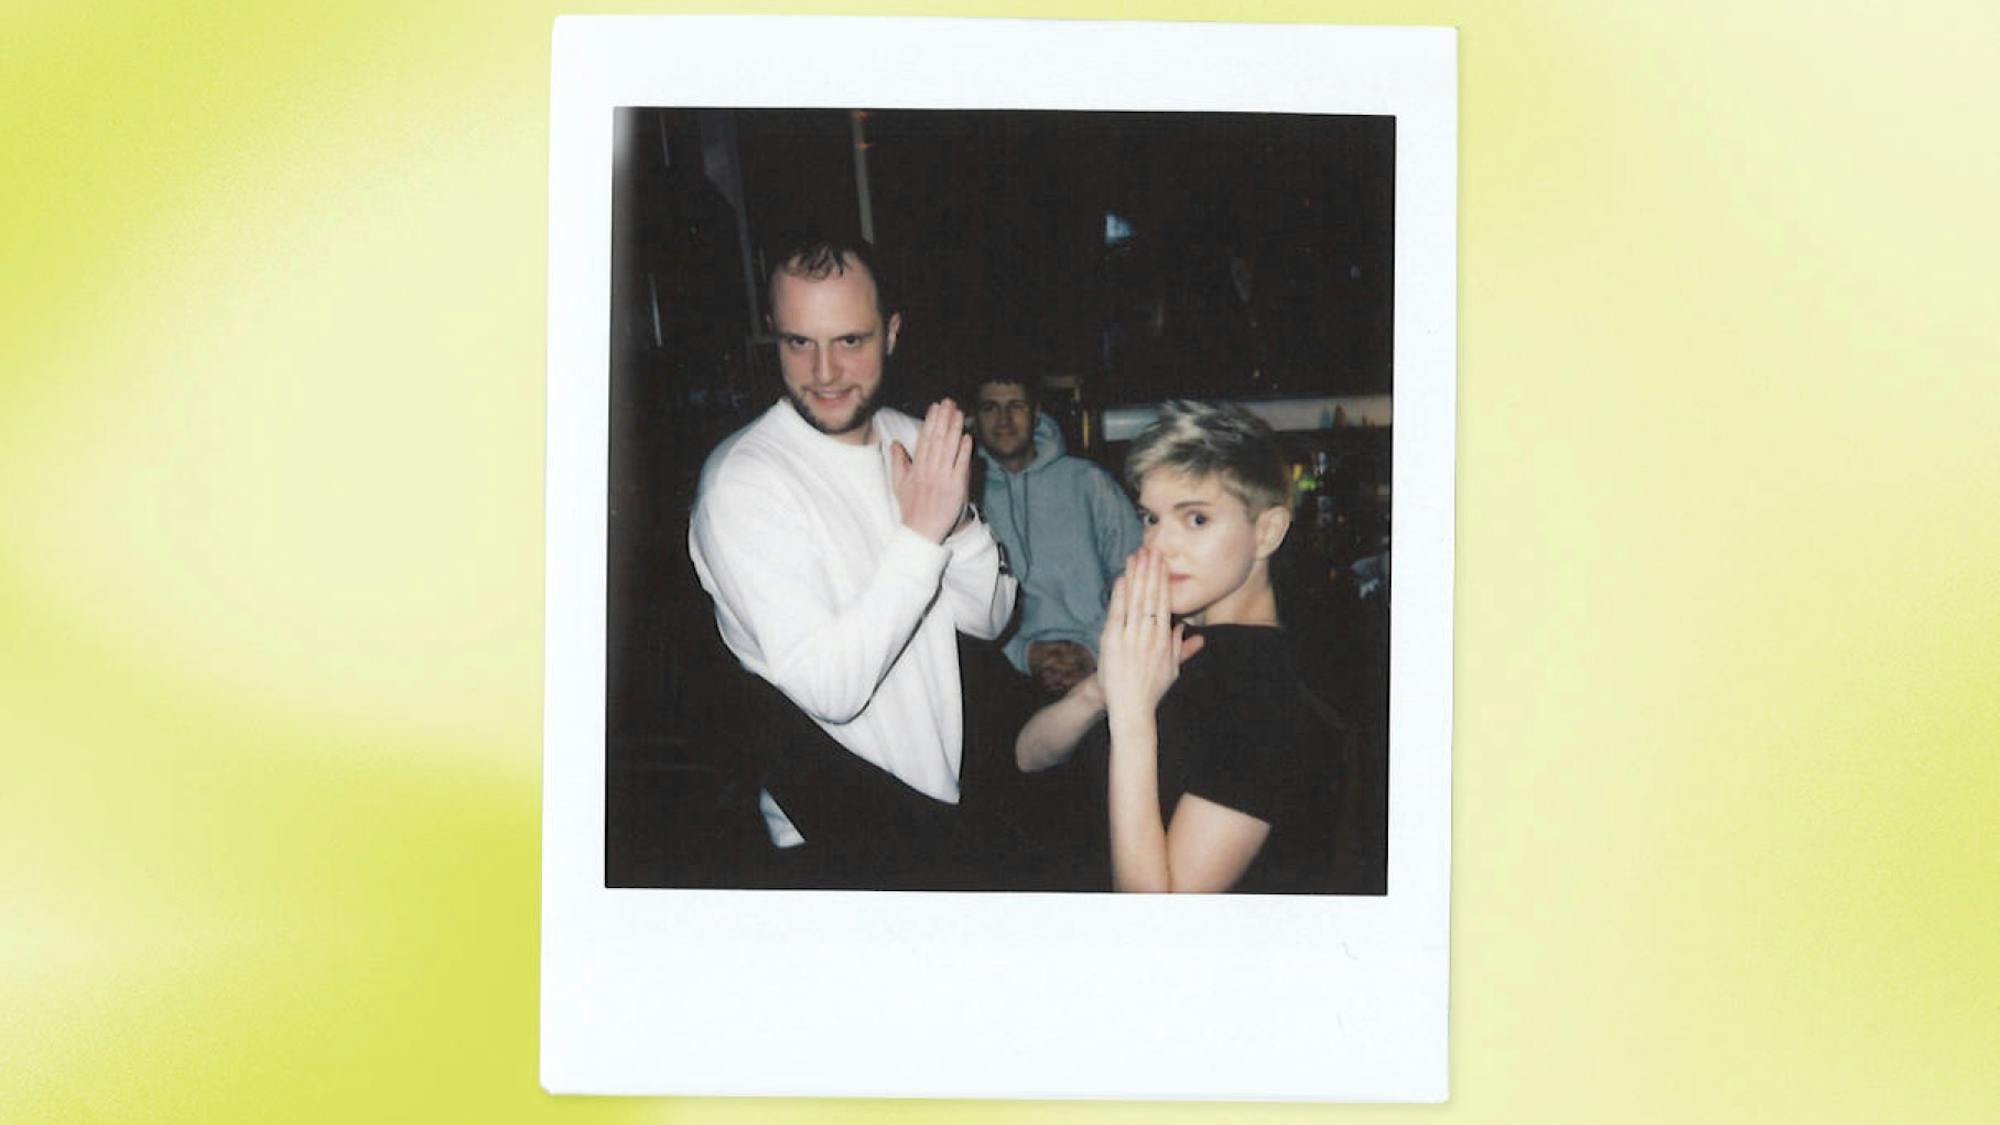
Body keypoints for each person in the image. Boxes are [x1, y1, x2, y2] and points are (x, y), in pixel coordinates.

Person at [687, 232, 1017, 886]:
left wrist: (955, 526)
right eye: (798, 342)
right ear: (773, 337)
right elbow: (829, 690)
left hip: (945, 800)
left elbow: (990, 615)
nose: (825, 372)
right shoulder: (746, 481)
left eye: (850, 341)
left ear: (892, 333)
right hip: (832, 823)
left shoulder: (915, 439)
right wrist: (922, 533)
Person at [1014, 400, 1345, 893]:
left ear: (1268, 531)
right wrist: (1100, 692)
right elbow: (1028, 755)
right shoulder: (1176, 638)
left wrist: (1131, 716)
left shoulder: (1269, 701)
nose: (1158, 545)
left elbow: (1161, 915)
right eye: (1151, 518)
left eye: (1195, 520)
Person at [968, 374, 1143, 696]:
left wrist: (1093, 651)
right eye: (990, 408)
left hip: (1103, 658)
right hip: (1005, 668)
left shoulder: (1089, 482)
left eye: (1016, 406)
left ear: (1035, 414)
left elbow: (1133, 574)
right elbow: (962, 599)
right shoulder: (965, 494)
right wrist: (1024, 653)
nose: (1004, 420)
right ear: (974, 420)